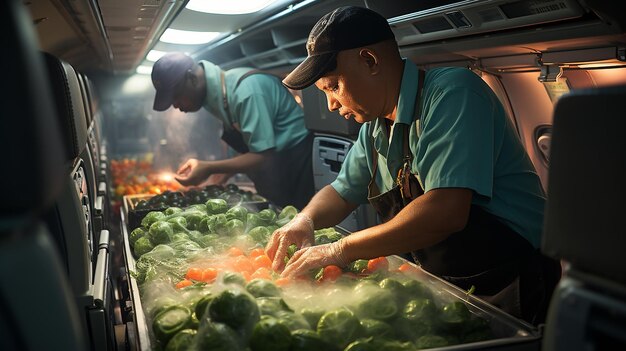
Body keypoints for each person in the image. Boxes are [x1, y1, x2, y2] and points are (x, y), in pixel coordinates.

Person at [266, 6, 561, 325]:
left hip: (510, 278)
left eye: (334, 86)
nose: (331, 105)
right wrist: (305, 220)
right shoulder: (374, 129)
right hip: (448, 280)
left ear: (369, 60)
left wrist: (340, 250)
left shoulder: (453, 92)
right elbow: (341, 193)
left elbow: (445, 210)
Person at [150, 52, 315, 209]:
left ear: (192, 78)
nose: (176, 106)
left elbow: (263, 155)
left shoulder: (246, 91)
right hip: (274, 168)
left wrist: (209, 167)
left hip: (293, 163)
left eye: (176, 96)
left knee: (297, 221)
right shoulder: (219, 94)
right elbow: (247, 141)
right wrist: (220, 179)